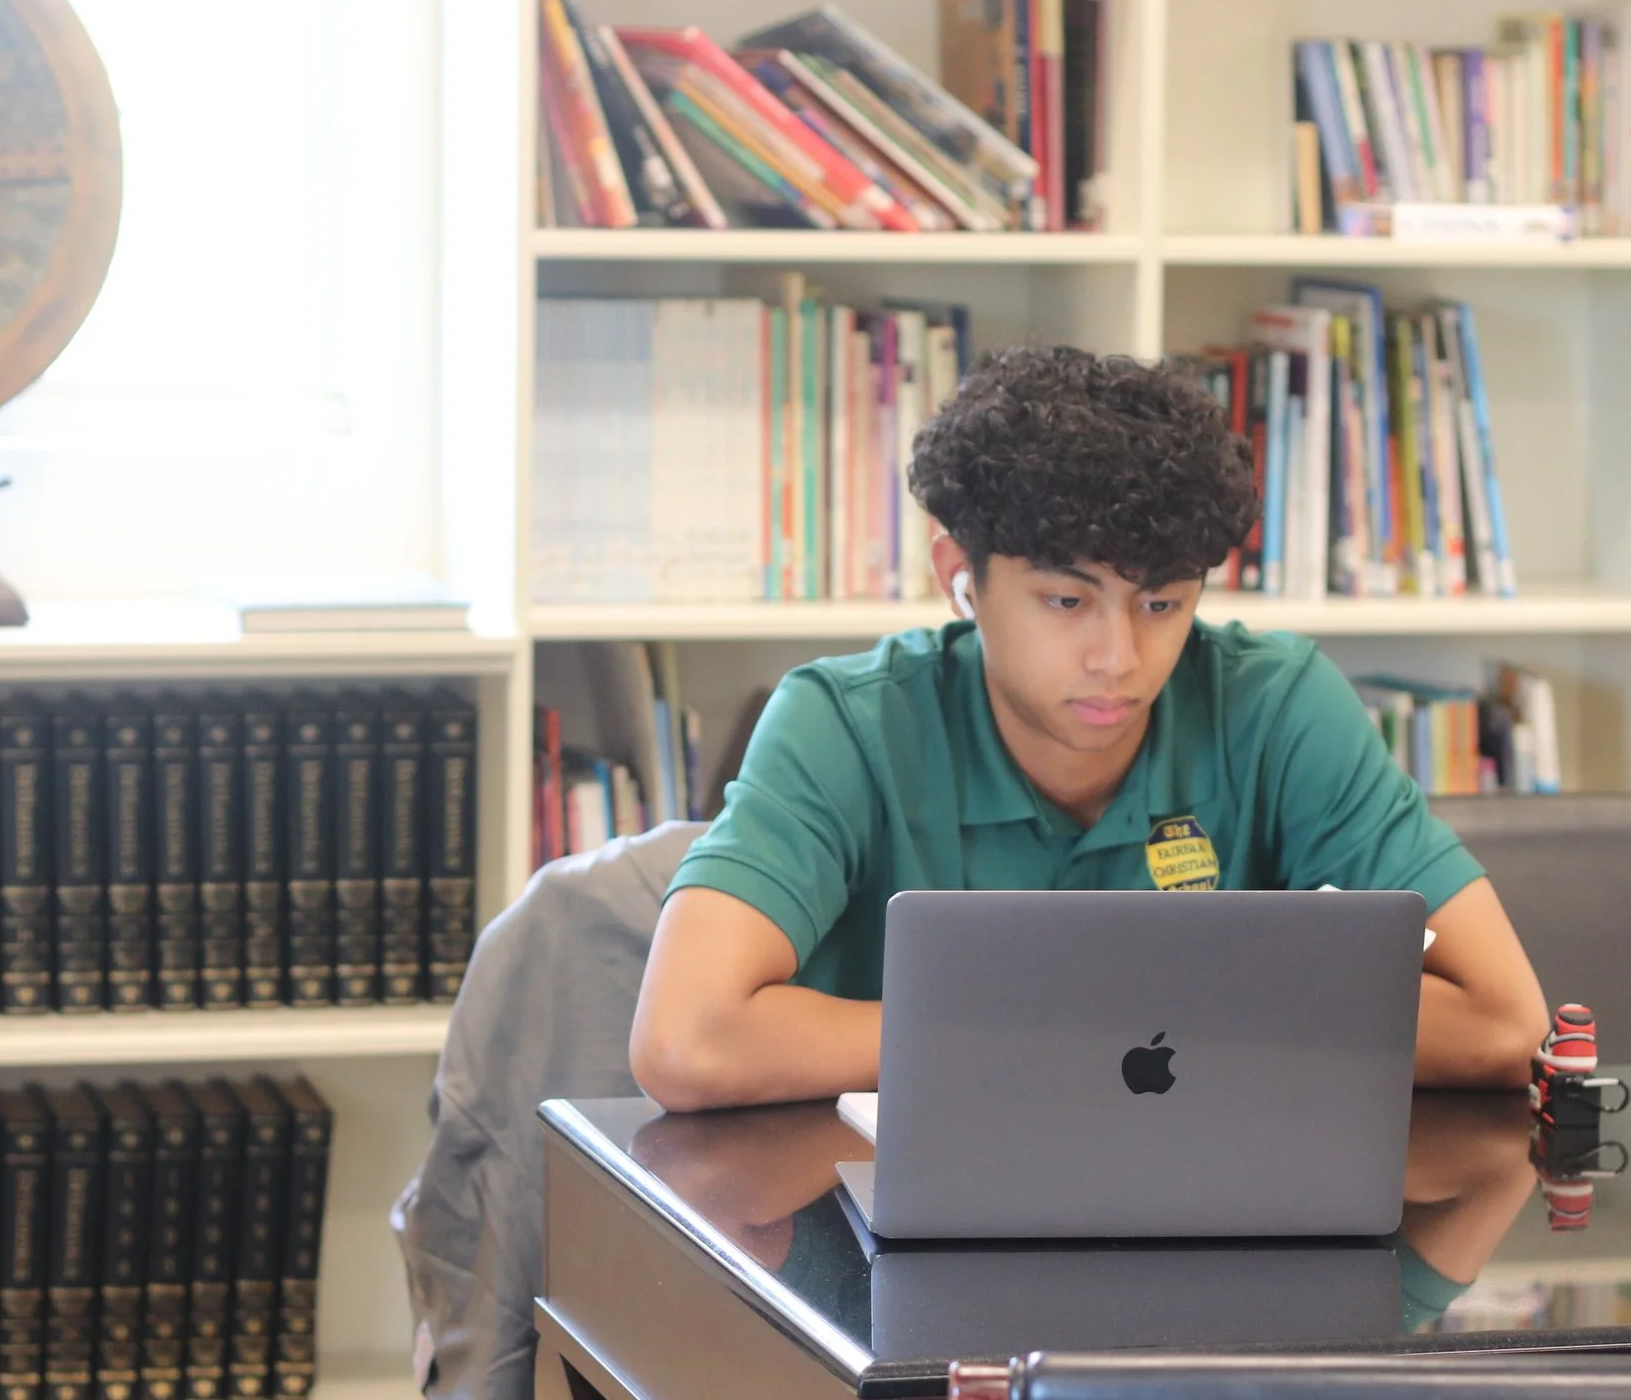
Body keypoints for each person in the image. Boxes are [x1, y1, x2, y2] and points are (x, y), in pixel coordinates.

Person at [631, 345, 1546, 1112]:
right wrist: (1108, 1031)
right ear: (959, 572)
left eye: (1161, 601)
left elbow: (1508, 1023)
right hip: (897, 1251)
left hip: (1206, 1221)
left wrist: (1105, 1031)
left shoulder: (1278, 706)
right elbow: (684, 1039)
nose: (1119, 656)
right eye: (1067, 599)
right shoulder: (845, 723)